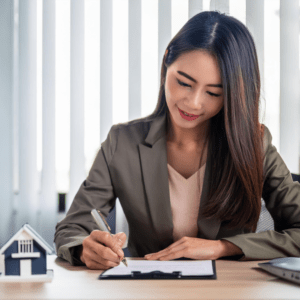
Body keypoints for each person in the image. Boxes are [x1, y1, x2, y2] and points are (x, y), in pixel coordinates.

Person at [54, 11, 300, 270]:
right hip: (149, 289)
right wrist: (84, 248)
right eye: (184, 83)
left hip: (232, 291)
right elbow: (72, 228)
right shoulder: (122, 143)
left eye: (214, 93)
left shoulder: (254, 144)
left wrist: (224, 247)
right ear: (166, 63)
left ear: (233, 95)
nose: (193, 103)